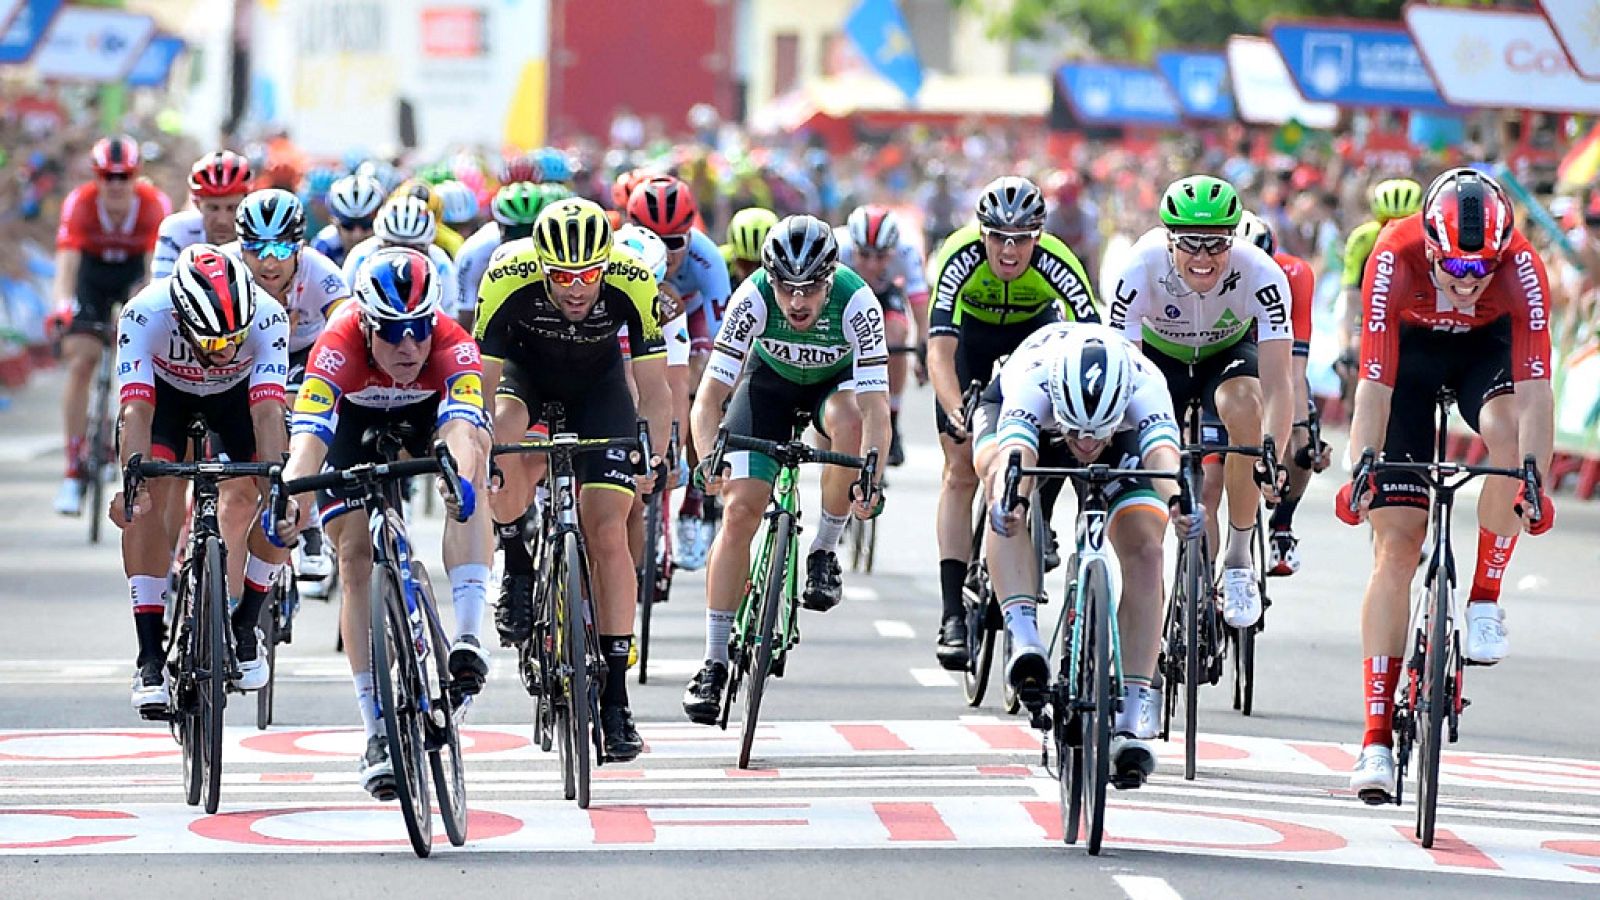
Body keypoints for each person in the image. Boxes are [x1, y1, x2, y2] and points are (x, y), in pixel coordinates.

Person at [1337, 168, 1555, 804]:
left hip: (1484, 357)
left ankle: (1484, 596)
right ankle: (1375, 739)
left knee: (1511, 444)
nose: (1466, 283)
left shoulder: (1522, 268)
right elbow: (1372, 387)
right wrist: (1361, 470)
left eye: (1480, 271)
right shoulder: (1392, 255)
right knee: (1398, 548)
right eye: (1453, 269)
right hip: (1405, 361)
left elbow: (1539, 392)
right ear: (1428, 246)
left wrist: (1532, 483)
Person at [266, 247, 492, 799]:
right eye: (393, 332)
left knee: (475, 466)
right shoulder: (336, 345)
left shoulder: (451, 343)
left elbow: (461, 426)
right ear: (366, 324)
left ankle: (466, 634)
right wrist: (291, 497)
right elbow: (310, 440)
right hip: (352, 426)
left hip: (425, 421)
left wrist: (459, 477)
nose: (409, 345)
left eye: (419, 329)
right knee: (354, 559)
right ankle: (374, 730)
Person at [477, 198, 670, 762]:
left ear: (606, 263)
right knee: (504, 443)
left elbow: (655, 389)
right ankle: (515, 563)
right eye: (562, 276)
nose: (577, 288)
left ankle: (614, 698)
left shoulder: (633, 280)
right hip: (525, 381)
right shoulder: (507, 274)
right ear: (542, 266)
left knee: (606, 530)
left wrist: (653, 457)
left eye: (588, 274)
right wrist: (482, 452)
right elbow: (482, 386)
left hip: (600, 391)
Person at [680, 215, 889, 725]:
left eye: (811, 289)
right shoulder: (750, 297)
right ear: (770, 281)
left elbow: (877, 410)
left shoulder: (857, 302)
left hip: (831, 387)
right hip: (767, 386)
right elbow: (708, 399)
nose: (797, 302)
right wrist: (709, 460)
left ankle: (823, 550)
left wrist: (870, 480)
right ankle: (713, 661)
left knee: (848, 421)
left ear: (830, 279)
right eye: (786, 289)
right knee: (739, 512)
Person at [976, 323, 1192, 789]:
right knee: (1003, 486)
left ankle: (1130, 721)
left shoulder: (1145, 385)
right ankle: (1024, 637)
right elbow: (1015, 454)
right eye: (1079, 435)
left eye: (1096, 437)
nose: (1087, 446)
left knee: (1148, 551)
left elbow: (1162, 459)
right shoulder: (1034, 382)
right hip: (1035, 425)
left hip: (1123, 434)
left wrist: (1178, 503)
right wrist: (1009, 500)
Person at [926, 176, 1099, 671]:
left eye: (1021, 238)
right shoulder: (958, 255)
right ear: (981, 234)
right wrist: (955, 405)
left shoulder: (1059, 262)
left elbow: (1092, 342)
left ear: (1038, 237)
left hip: (1037, 338)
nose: (1009, 249)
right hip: (972, 345)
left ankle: (1036, 511)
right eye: (998, 236)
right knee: (960, 468)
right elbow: (939, 349)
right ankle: (952, 613)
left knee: (1058, 436)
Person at [1106, 175, 1294, 630]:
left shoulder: (1262, 273)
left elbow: (1278, 382)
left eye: (1217, 244)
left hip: (1223, 355)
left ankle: (1237, 559)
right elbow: (1124, 376)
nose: (1204, 258)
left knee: (1247, 409)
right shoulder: (1137, 268)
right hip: (1157, 361)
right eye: (1191, 244)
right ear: (1169, 240)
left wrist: (1272, 454)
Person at [110, 245, 290, 709]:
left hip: (237, 398)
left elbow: (269, 413)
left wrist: (277, 490)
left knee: (287, 502)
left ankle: (247, 624)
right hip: (166, 398)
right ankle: (150, 656)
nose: (226, 348)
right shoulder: (144, 314)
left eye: (235, 337)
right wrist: (134, 485)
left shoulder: (268, 316)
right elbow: (136, 409)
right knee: (145, 495)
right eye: (212, 341)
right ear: (182, 319)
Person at [53, 136, 170, 515]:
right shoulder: (80, 203)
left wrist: (139, 308)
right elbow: (67, 263)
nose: (116, 185)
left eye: (124, 176)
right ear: (96, 177)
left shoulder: (154, 205)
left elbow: (155, 269)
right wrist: (61, 306)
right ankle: (72, 468)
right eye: (108, 176)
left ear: (136, 176)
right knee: (81, 359)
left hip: (133, 274)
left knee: (134, 360)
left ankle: (121, 445)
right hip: (92, 275)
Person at [626, 176, 733, 572]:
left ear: (691, 234)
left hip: (691, 322)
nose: (662, 250)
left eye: (674, 242)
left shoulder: (707, 260)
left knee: (697, 385)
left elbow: (725, 342)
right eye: (650, 236)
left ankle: (692, 504)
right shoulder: (619, 251)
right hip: (638, 320)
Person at [1234, 211, 1326, 576]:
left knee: (1301, 443)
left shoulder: (1294, 276)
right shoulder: (1207, 272)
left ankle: (1282, 526)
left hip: (1274, 357)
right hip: (1226, 356)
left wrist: (1303, 430)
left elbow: (1294, 370)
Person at [838, 205, 930, 466]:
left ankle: (893, 416)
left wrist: (924, 344)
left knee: (897, 337)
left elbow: (918, 299)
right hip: (844, 294)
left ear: (892, 250)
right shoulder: (835, 246)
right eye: (864, 255)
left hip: (884, 296)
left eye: (881, 257)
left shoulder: (907, 250)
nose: (871, 264)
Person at [1339, 179, 1423, 379]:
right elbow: (1351, 296)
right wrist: (1345, 345)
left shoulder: (1430, 238)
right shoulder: (1362, 239)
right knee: (1353, 366)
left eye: (1406, 223)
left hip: (1419, 313)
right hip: (1374, 312)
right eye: (1387, 223)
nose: (1395, 230)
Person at [454, 182, 570, 322]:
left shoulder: (560, 243)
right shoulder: (474, 251)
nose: (523, 241)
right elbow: (466, 310)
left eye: (530, 231)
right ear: (499, 226)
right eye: (515, 233)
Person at [342, 197, 460, 320]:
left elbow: (450, 314)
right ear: (380, 242)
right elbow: (344, 307)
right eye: (393, 246)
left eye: (413, 248)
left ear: (427, 246)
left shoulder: (441, 263)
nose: (402, 257)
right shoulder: (361, 255)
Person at [150, 151, 254, 279]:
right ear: (197, 204)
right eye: (213, 208)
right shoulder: (177, 229)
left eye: (232, 208)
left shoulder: (260, 235)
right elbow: (160, 288)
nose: (222, 220)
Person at [311, 174, 385, 268]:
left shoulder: (390, 244)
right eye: (348, 225)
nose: (357, 235)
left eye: (366, 225)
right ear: (334, 222)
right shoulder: (323, 246)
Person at [720, 206, 778, 286]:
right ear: (733, 256)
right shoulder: (718, 262)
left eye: (761, 266)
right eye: (745, 264)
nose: (753, 273)